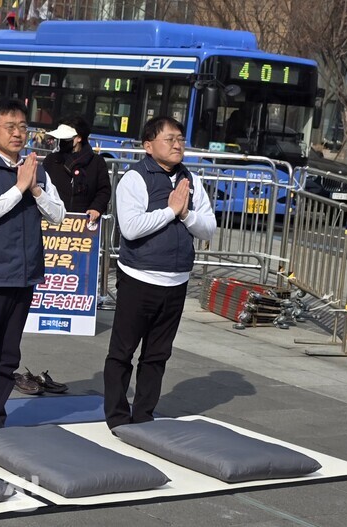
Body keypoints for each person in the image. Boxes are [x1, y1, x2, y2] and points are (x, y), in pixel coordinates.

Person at [0, 98, 66, 432]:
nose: (18, 133)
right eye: (10, 127)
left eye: (23, 127)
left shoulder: (37, 170)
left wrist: (35, 189)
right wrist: (20, 189)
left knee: (8, 355)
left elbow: (58, 215)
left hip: (24, 274)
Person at [103, 116, 216, 430]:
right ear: (148, 145)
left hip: (176, 281)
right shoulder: (134, 179)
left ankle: (144, 415)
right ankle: (116, 415)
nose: (178, 144)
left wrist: (186, 213)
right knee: (122, 351)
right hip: (139, 279)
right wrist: (170, 211)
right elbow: (131, 228)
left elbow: (209, 228)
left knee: (157, 354)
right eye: (170, 139)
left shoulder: (191, 179)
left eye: (180, 138)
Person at [43, 116, 111, 224]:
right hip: (53, 223)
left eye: (67, 138)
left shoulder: (96, 162)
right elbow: (42, 188)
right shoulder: (51, 160)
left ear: (79, 138)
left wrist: (96, 208)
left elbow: (104, 190)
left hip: (84, 225)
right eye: (61, 139)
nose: (63, 142)